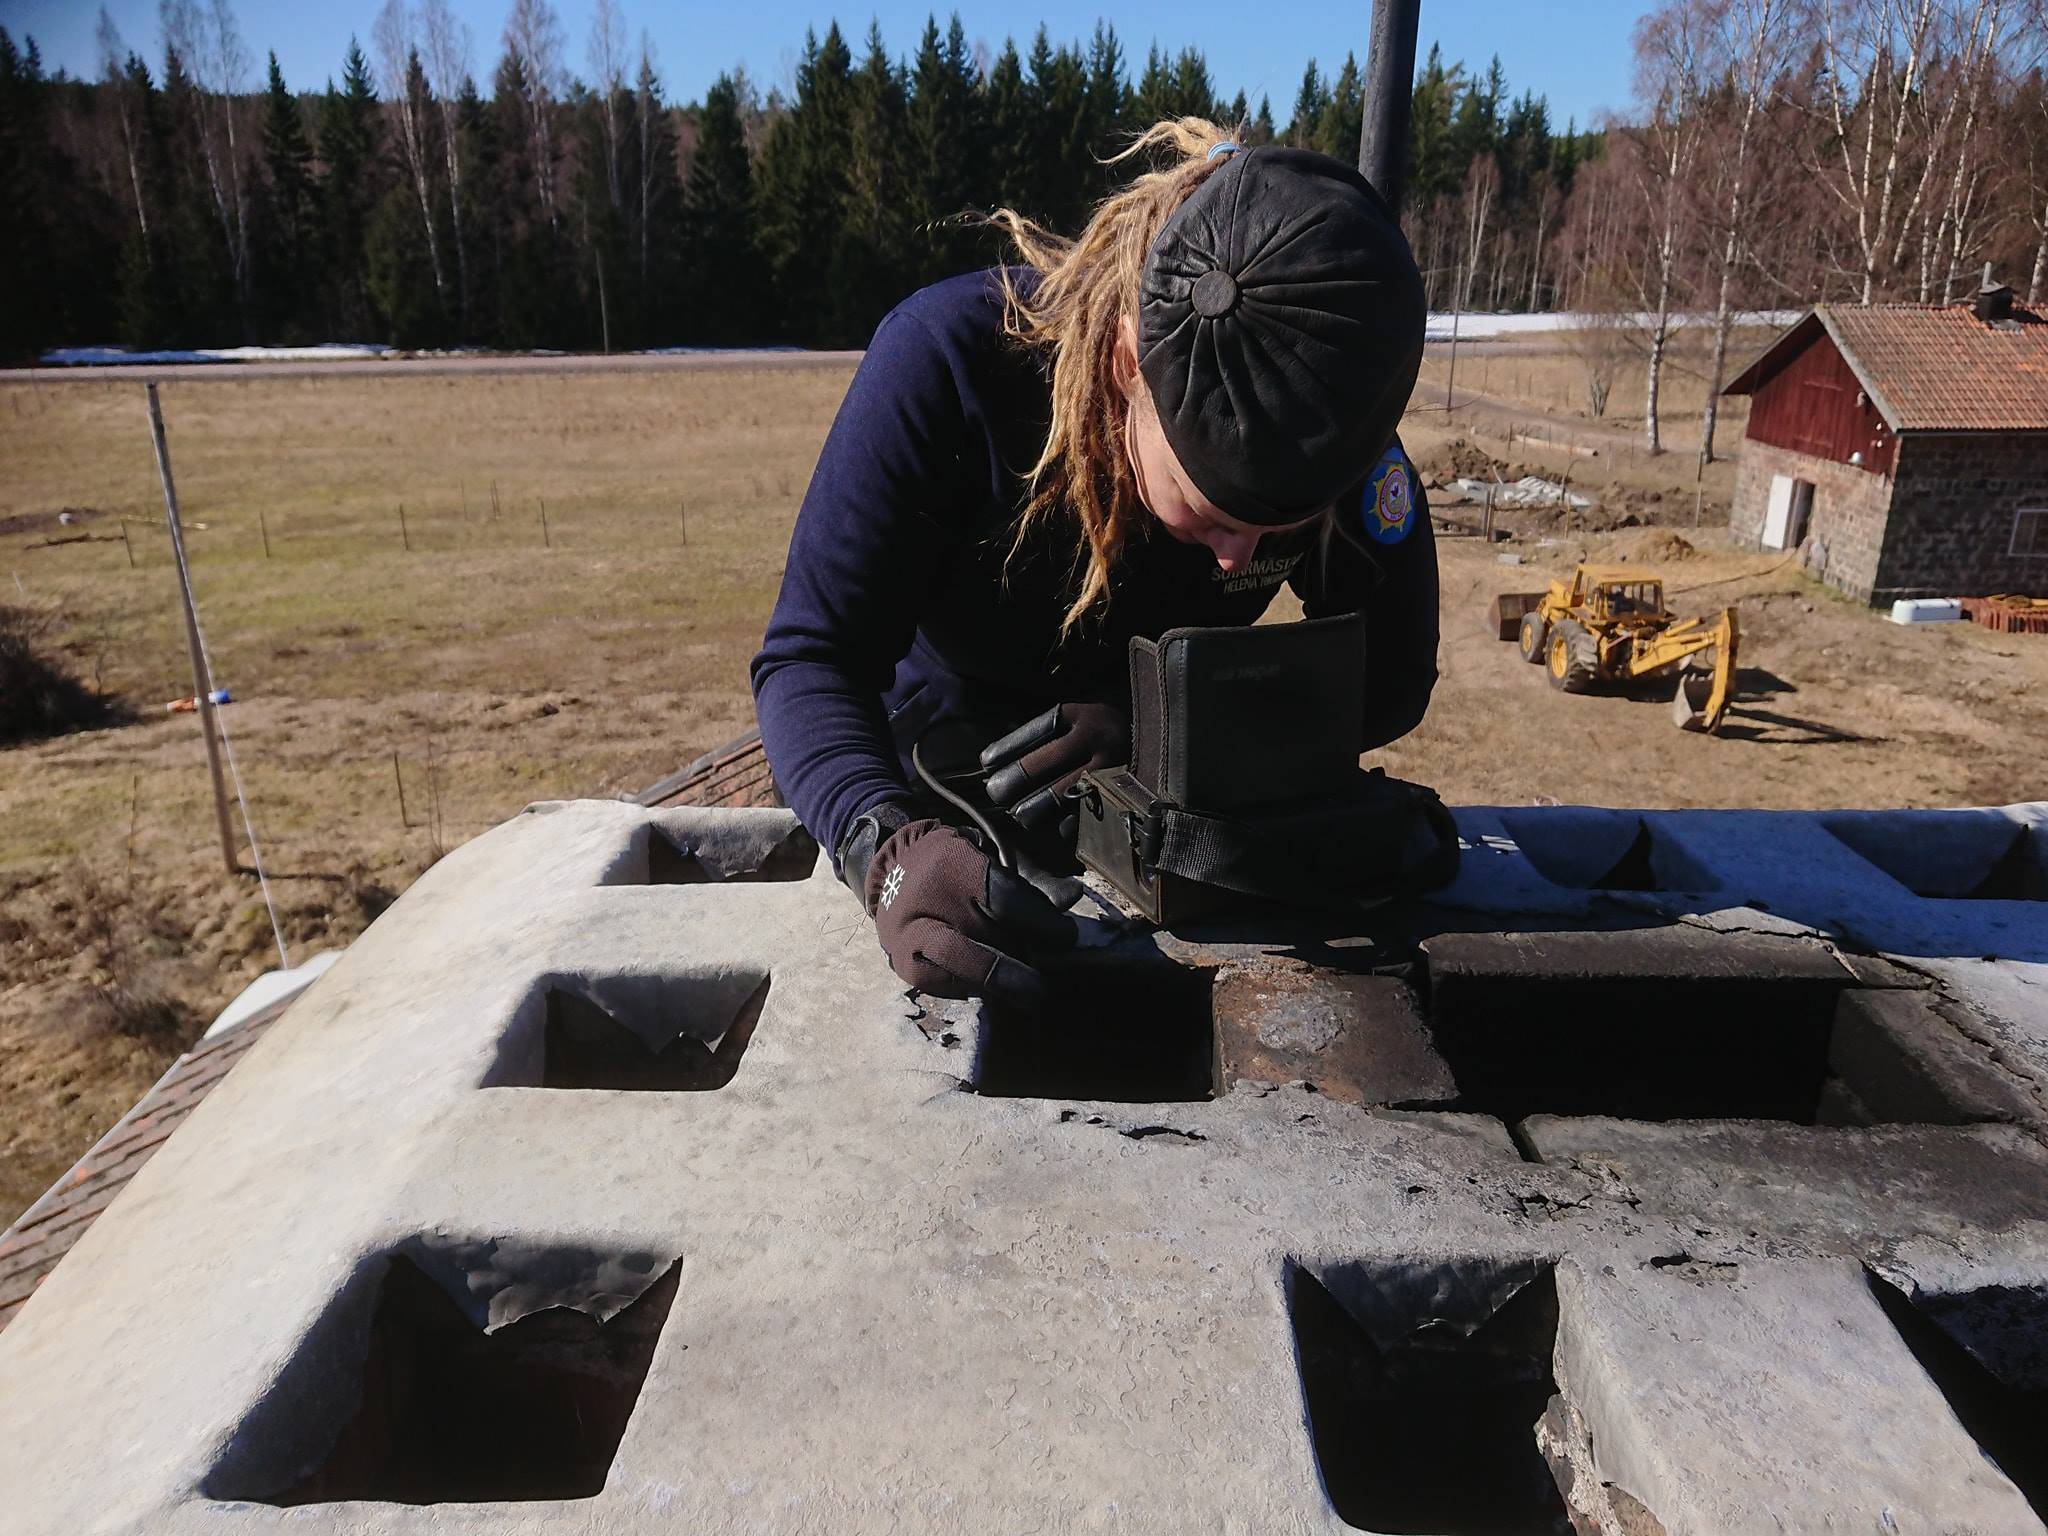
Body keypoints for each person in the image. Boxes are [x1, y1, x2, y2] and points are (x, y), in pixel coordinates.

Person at [751, 118, 1435, 1006]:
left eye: (1281, 529)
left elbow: (1388, 684)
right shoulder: (949, 364)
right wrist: (884, 849)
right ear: (1125, 367)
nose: (1239, 558)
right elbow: (808, 658)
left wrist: (1159, 741)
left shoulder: (1336, 418)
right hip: (938, 792)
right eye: (1208, 511)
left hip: (1169, 834)